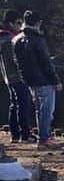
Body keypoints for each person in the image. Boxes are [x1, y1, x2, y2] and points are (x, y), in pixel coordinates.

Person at [12, 12, 61, 148]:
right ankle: (44, 139)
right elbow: (46, 64)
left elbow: (19, 62)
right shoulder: (38, 40)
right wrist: (56, 81)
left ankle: (44, 136)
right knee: (47, 110)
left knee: (39, 109)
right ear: (38, 23)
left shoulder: (16, 40)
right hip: (44, 81)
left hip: (29, 81)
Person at [0, 9, 32, 143]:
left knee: (14, 104)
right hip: (17, 77)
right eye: (19, 22)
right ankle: (25, 134)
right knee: (23, 104)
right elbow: (14, 60)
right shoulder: (8, 40)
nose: (21, 25)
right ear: (11, 23)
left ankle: (15, 135)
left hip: (8, 77)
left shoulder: (3, 38)